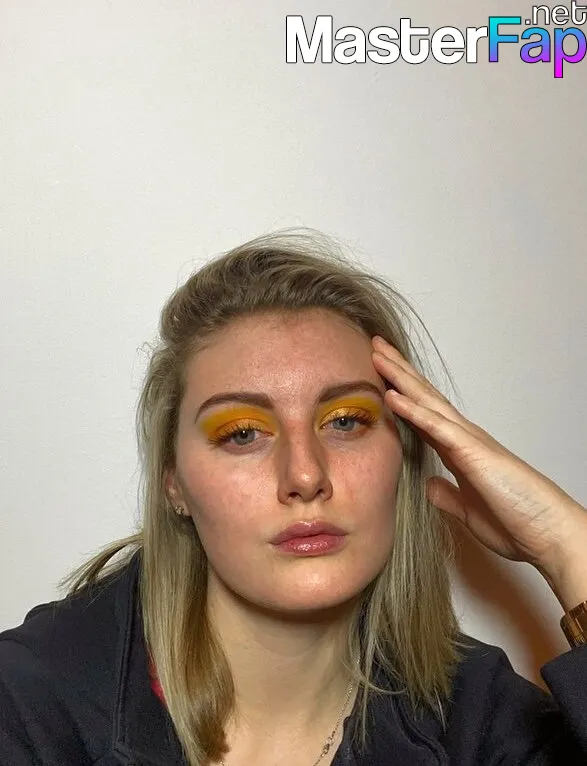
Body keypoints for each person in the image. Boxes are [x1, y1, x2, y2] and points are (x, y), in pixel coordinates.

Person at [1, 228, 586, 766]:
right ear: (173, 482)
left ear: (406, 454)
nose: (305, 475)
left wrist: (569, 549)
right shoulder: (31, 707)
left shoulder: (480, 722)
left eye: (346, 421)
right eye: (242, 434)